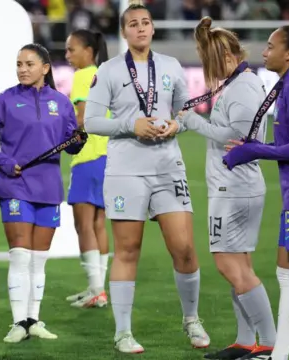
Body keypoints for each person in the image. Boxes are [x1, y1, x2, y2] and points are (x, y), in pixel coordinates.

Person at [83, 1, 210, 353]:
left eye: (146, 22)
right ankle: (123, 332)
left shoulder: (170, 66)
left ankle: (191, 318)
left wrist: (176, 123)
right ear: (124, 32)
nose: (140, 28)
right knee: (127, 249)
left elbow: (186, 108)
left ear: (153, 28)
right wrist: (130, 124)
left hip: (168, 167)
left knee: (184, 248)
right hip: (125, 171)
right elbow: (91, 122)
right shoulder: (108, 70)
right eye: (133, 24)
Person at [177, 17, 276, 360]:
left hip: (235, 188)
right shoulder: (237, 83)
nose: (211, 71)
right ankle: (246, 341)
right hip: (233, 186)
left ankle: (268, 345)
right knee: (240, 266)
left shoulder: (244, 87)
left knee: (228, 265)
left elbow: (237, 137)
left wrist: (191, 121)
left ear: (230, 58)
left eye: (213, 63)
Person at [0, 43, 87, 344]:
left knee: (38, 260)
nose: (22, 69)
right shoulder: (4, 100)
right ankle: (17, 323)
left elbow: (71, 144)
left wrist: (78, 140)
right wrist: (3, 161)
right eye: (19, 64)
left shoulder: (62, 103)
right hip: (15, 186)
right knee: (20, 256)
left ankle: (33, 320)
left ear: (45, 67)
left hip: (49, 188)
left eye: (29, 64)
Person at [223, 24, 289, 360]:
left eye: (270, 46)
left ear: (288, 53)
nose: (264, 52)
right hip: (288, 198)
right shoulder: (284, 85)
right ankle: (275, 352)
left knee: (287, 277)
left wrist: (255, 151)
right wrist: (257, 145)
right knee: (285, 274)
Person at [63, 29, 111, 309]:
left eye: (72, 49)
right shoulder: (105, 74)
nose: (67, 55)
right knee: (98, 224)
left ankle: (96, 290)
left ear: (88, 51)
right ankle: (98, 289)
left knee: (84, 225)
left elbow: (80, 119)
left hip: (88, 156)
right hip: (107, 156)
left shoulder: (84, 76)